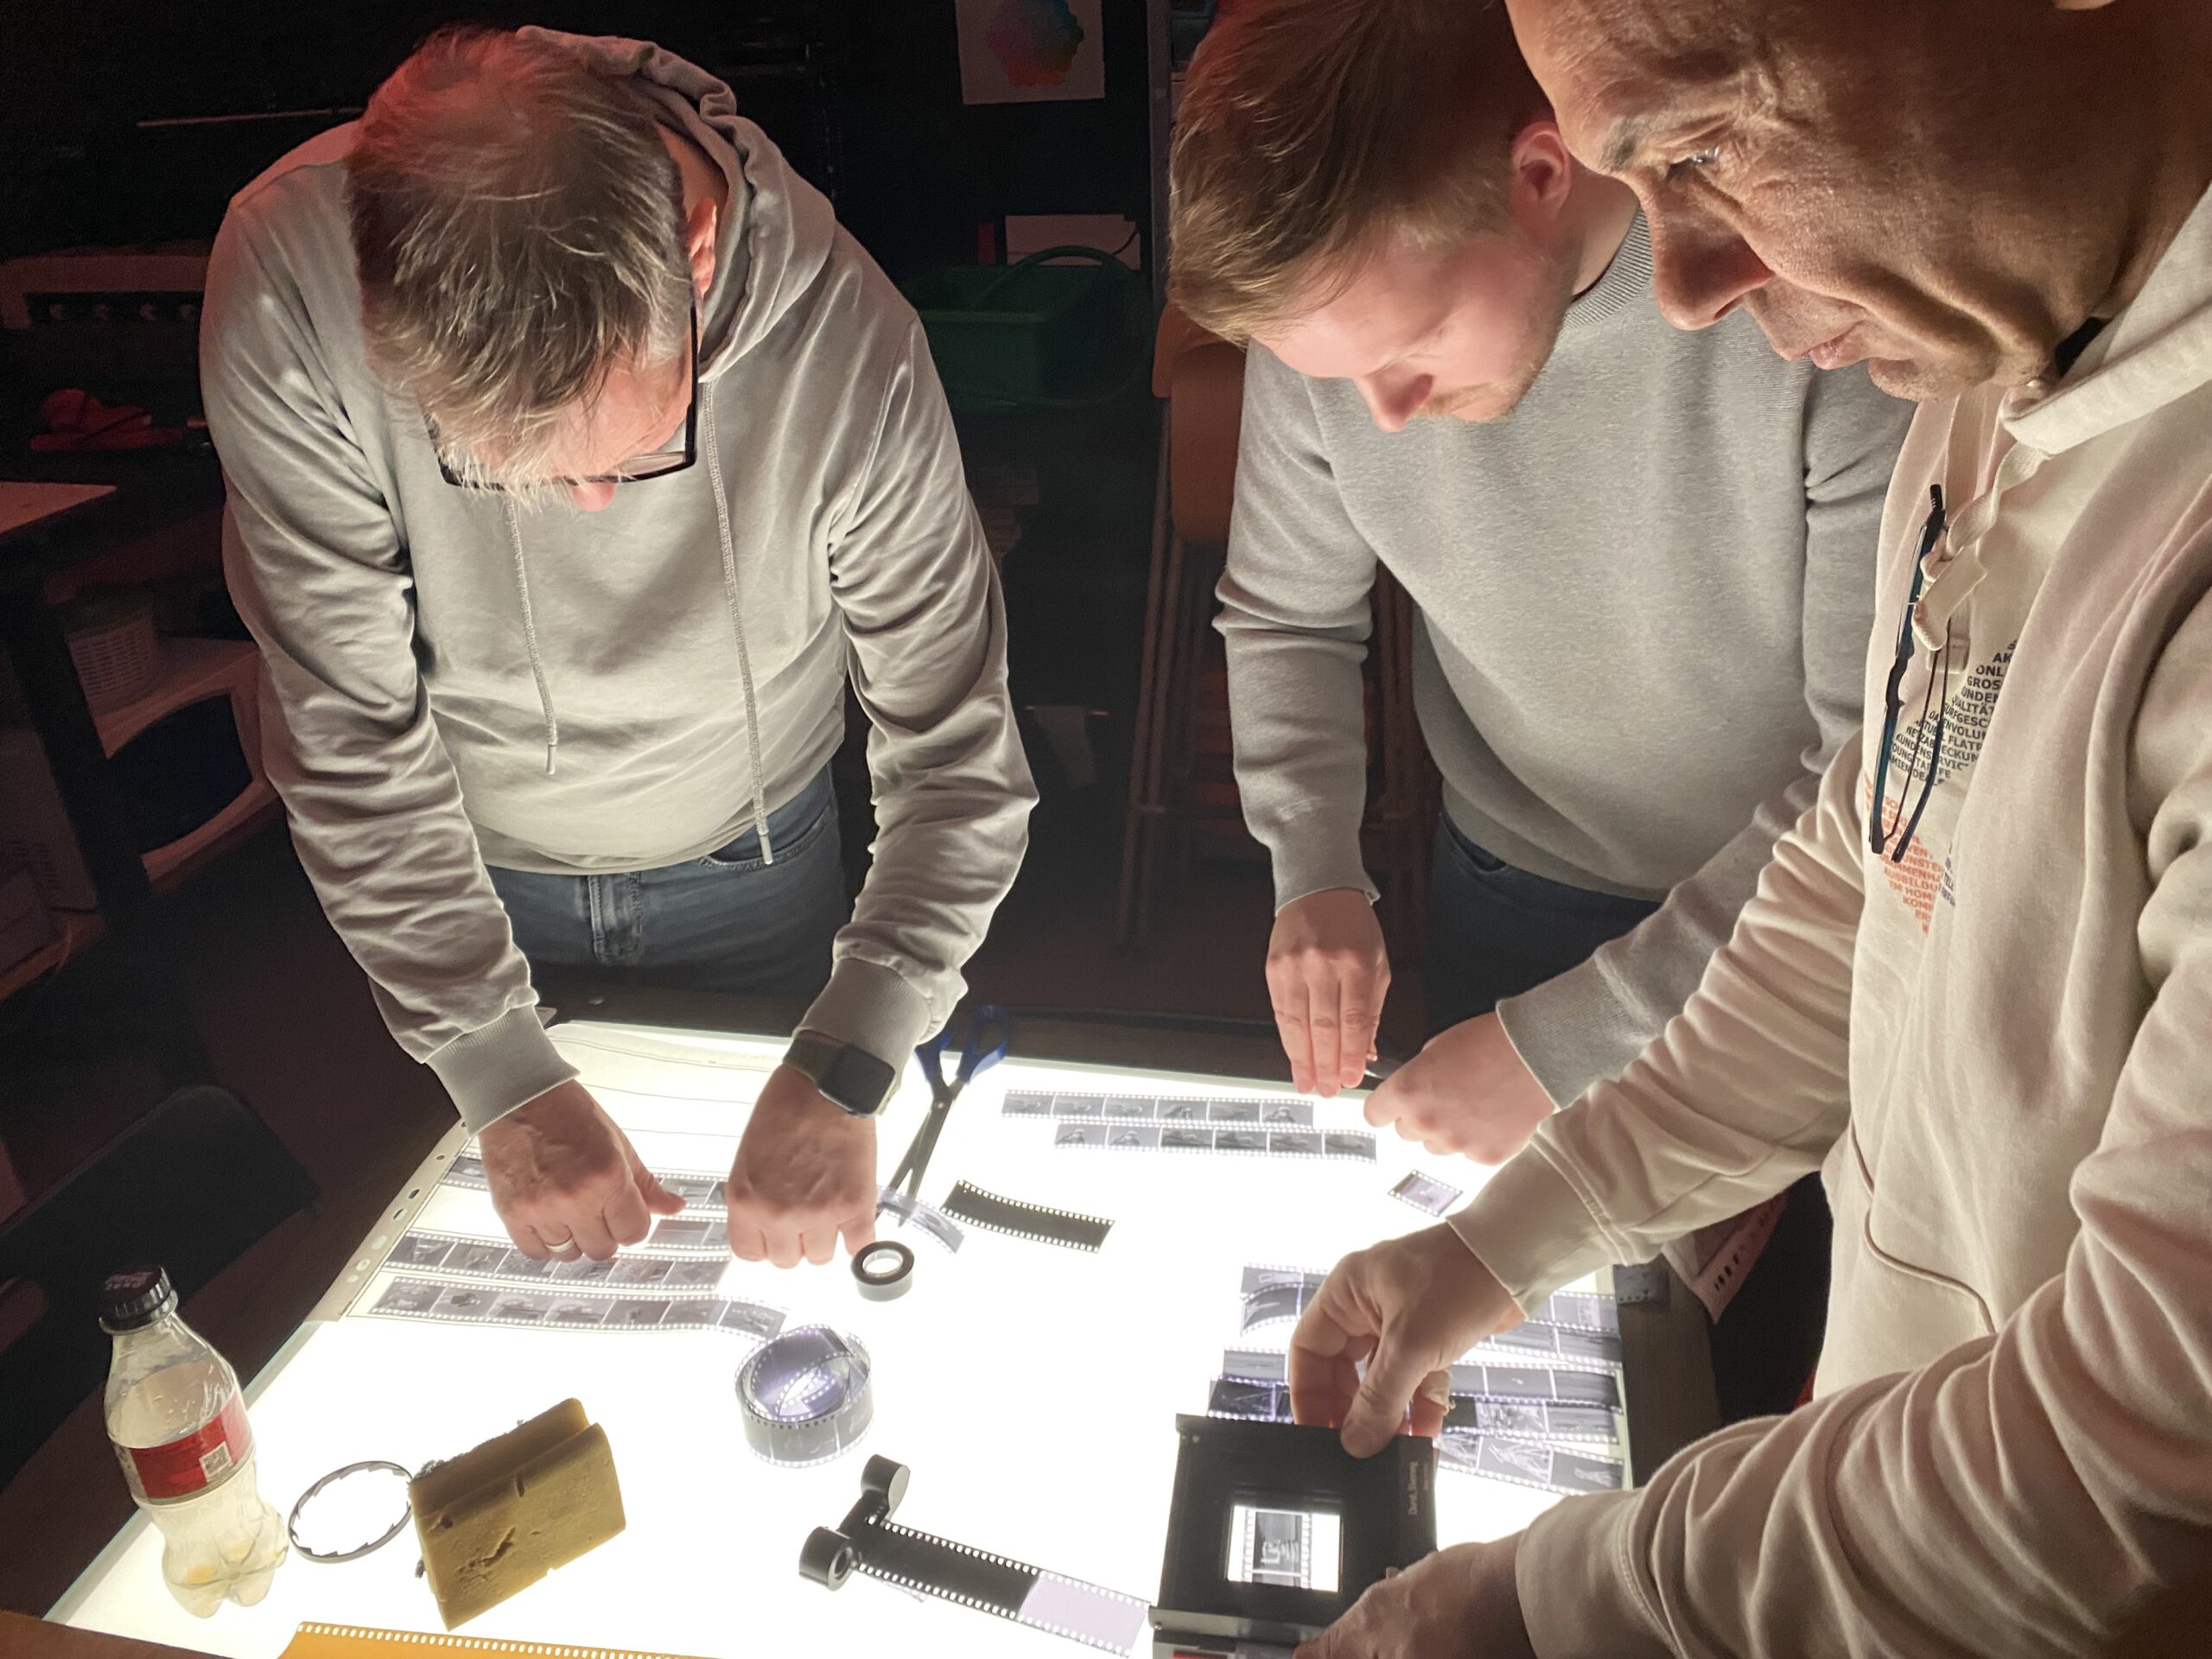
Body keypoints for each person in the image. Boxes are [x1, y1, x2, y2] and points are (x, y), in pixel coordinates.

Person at [1287, 0, 2212, 1655]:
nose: (1688, 285)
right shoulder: (2000, 356)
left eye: (1704, 144)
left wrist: (1546, 1603)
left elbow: (2133, 1462)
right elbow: (1871, 872)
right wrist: (1505, 1244)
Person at [200, 27, 1033, 1274]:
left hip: (754, 848)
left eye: (634, 456)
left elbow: (956, 747)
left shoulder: (849, 344)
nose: (585, 510)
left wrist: (856, 1049)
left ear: (693, 255)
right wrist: (493, 1064)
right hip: (464, 864)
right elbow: (347, 733)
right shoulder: (292, 285)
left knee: (762, 1254)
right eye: (503, 472)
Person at [1169, 0, 1908, 1181]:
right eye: (1340, 376)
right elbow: (1286, 615)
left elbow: (1872, 769)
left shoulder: (1814, 313)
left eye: (1409, 346)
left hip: (1807, 909)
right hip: (1513, 880)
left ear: (1540, 174)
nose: (1384, 415)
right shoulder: (1336, 330)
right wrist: (1314, 867)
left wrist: (1564, 1047)